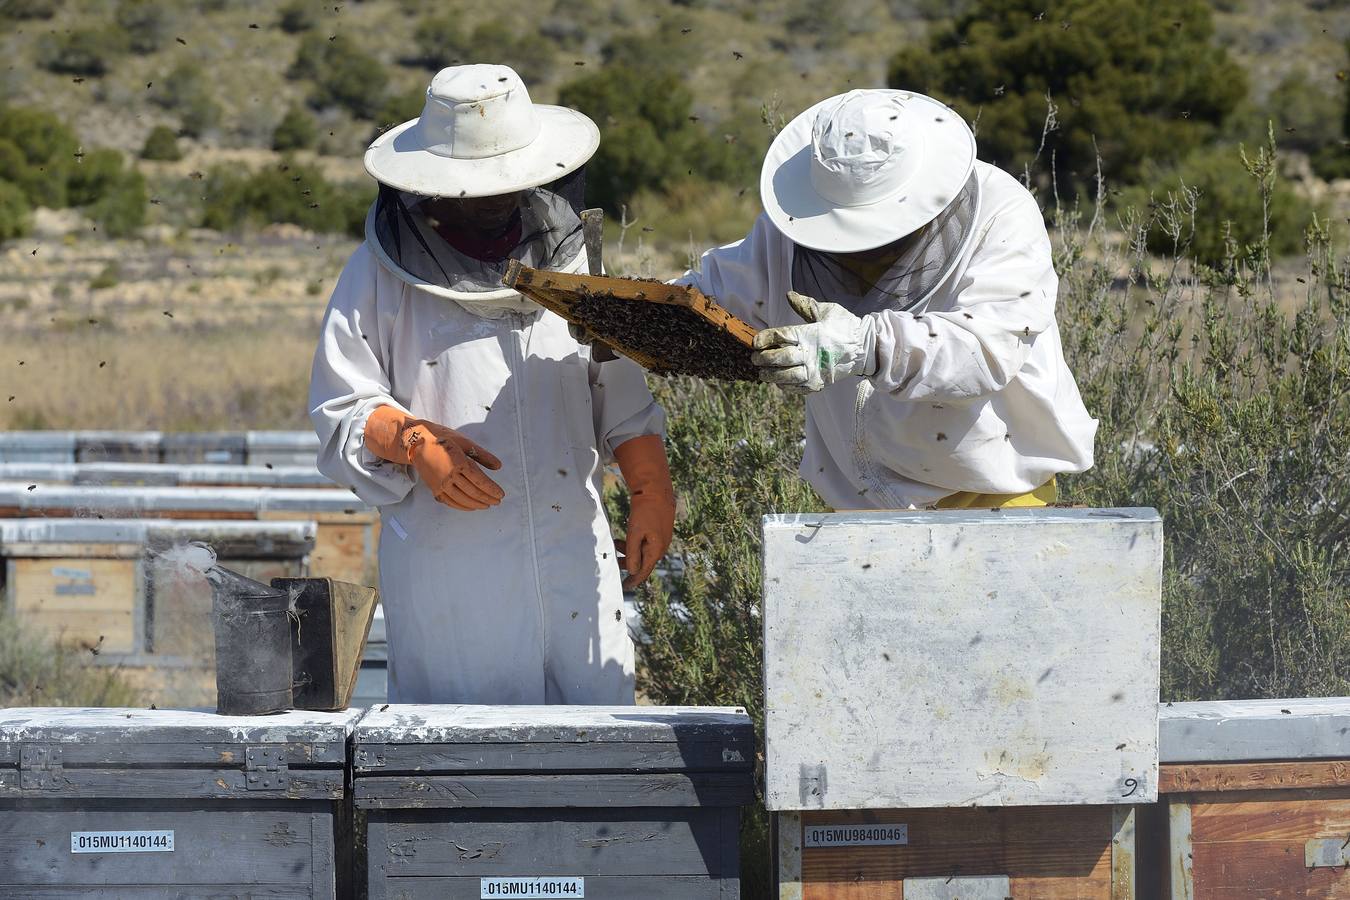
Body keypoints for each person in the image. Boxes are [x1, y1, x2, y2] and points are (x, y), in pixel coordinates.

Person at [308, 65, 675, 705]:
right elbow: (342, 405)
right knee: (462, 766)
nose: (493, 199)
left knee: (594, 763)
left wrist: (650, 489)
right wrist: (415, 442)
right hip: (450, 566)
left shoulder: (573, 255)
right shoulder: (377, 273)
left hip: (572, 556)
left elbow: (614, 383)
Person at [676, 89, 1097, 509]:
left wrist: (864, 346)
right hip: (856, 503)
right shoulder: (787, 228)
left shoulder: (1000, 214)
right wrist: (632, 309)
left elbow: (985, 349)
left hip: (991, 494)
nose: (857, 253)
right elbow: (712, 290)